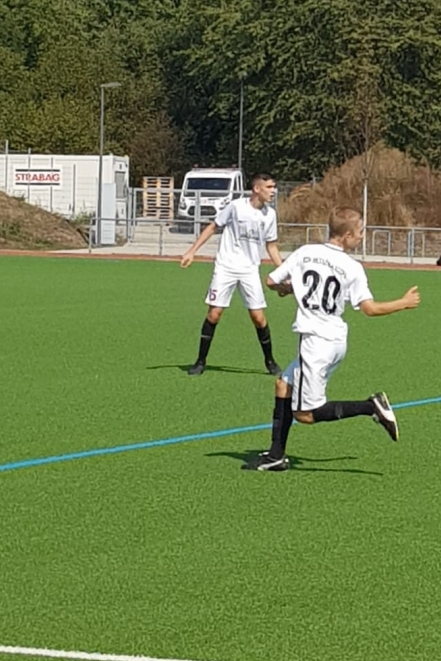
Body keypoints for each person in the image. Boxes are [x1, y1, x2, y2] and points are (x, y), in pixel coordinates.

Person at [244, 207, 420, 471]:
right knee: (283, 385)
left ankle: (370, 407)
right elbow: (370, 309)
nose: (362, 236)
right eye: (360, 232)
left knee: (305, 415)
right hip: (333, 339)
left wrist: (290, 289)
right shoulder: (352, 267)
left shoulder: (305, 252)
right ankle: (276, 456)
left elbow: (270, 281)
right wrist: (403, 303)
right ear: (347, 235)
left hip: (316, 343)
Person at [180, 173, 283, 376]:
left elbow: (271, 246)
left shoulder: (270, 214)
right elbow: (213, 227)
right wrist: (192, 251)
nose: (273, 191)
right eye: (269, 187)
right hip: (225, 267)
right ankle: (200, 361)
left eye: (274, 187)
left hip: (249, 270)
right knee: (214, 314)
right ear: (257, 189)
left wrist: (283, 272)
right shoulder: (236, 207)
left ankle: (270, 361)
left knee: (258, 318)